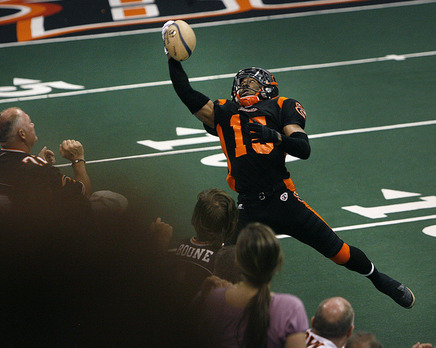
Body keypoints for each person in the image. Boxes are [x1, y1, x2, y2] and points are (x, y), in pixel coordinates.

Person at [161, 20, 414, 309]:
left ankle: (379, 279)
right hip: (248, 206)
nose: (244, 86)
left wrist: (275, 136)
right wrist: (172, 56)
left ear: (268, 88)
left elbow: (303, 149)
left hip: (282, 197)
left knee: (339, 251)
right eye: (241, 83)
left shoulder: (282, 106)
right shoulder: (224, 112)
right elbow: (186, 92)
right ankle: (206, 311)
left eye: (252, 83)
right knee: (224, 264)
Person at [0, 107, 94, 228]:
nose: (33, 125)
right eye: (29, 122)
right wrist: (78, 158)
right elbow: (84, 192)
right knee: (104, 199)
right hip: (31, 240)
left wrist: (39, 162)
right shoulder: (39, 170)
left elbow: (16, 177)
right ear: (22, 134)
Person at [197, 222, 308, 348]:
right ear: (277, 263)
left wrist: (204, 295)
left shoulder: (214, 299)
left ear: (237, 261)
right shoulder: (290, 309)